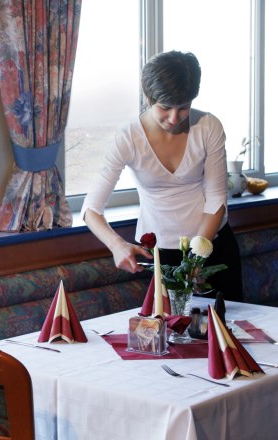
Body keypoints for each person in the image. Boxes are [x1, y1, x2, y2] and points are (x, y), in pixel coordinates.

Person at [81, 50, 243, 302]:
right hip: (160, 256)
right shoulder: (128, 137)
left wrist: (196, 259)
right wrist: (116, 245)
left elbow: (216, 200)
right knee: (167, 334)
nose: (174, 118)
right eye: (165, 108)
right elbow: (91, 208)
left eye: (184, 107)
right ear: (148, 97)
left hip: (211, 245)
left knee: (230, 333)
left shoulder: (209, 126)